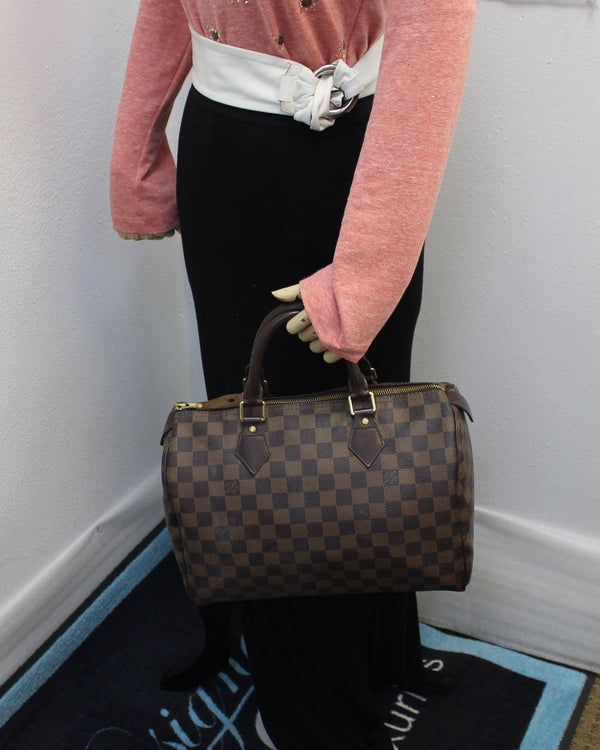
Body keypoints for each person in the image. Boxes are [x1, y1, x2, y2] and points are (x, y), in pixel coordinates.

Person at [110, 2, 475, 748]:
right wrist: (136, 160)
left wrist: (363, 278)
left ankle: (374, 658)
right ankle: (309, 710)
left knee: (368, 435)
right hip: (227, 165)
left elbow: (436, 30)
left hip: (355, 177)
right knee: (266, 456)